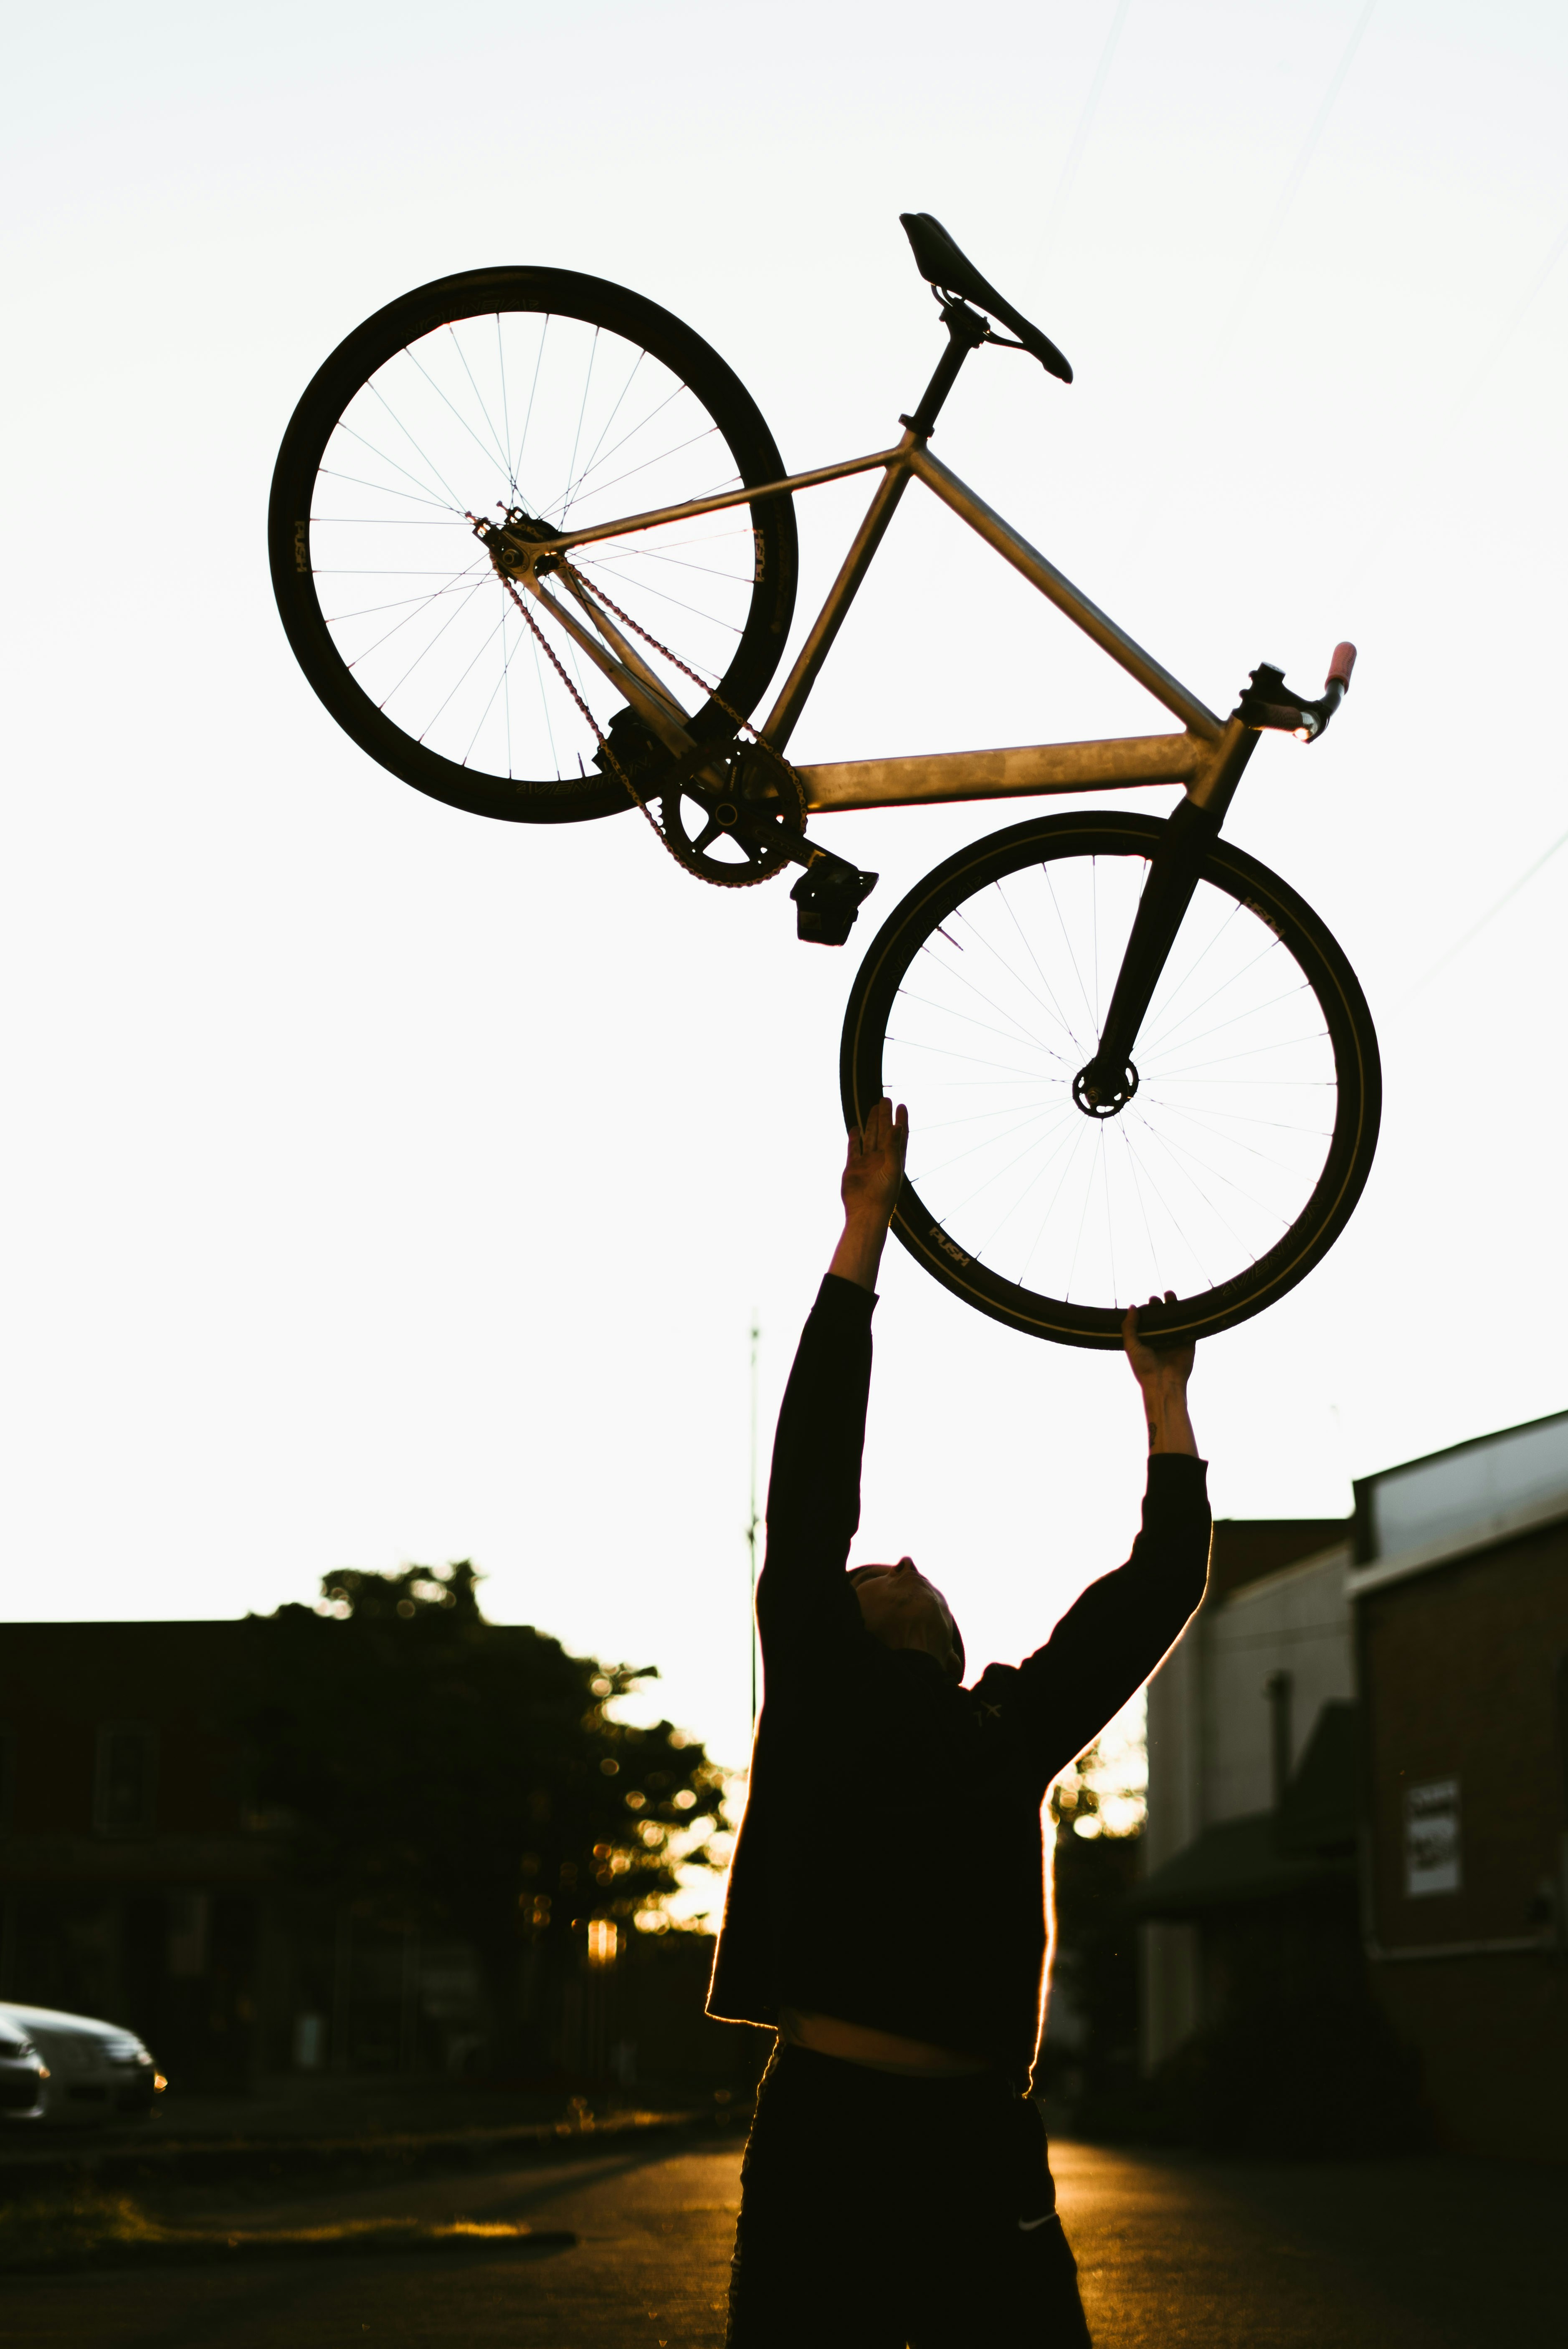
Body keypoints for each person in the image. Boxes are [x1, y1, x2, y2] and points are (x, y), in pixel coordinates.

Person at [709, 1099, 1211, 2348]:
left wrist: (1163, 1394)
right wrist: (859, 1232)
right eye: (873, 1565)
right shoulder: (819, 1683)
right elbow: (813, 1477)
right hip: (824, 2122)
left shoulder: (1004, 1726)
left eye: (897, 1567)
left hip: (977, 2137)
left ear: (943, 1642)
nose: (902, 1554)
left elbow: (1159, 1585)